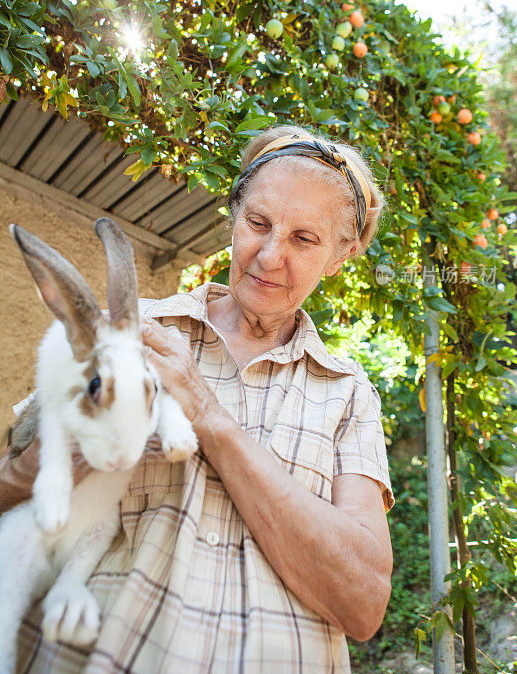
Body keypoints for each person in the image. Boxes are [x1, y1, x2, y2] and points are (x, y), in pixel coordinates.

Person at [0, 124, 394, 673]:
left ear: (340, 256)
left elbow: (363, 601)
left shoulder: (347, 392)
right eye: (257, 223)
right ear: (233, 218)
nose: (270, 254)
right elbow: (6, 486)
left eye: (305, 239)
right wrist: (73, 441)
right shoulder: (133, 329)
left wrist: (207, 414)